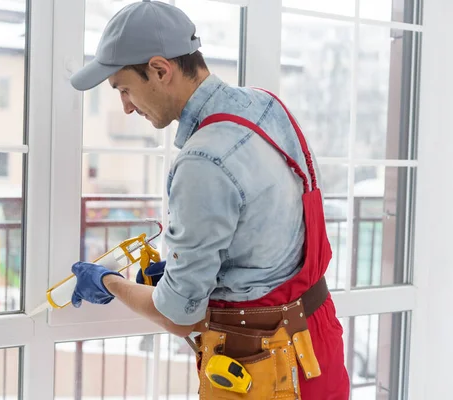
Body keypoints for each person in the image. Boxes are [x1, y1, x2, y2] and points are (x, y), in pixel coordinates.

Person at [69, 1, 350, 398]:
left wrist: (110, 282)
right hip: (317, 347)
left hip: (269, 372)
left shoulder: (203, 160)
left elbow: (180, 316)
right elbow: (271, 228)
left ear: (160, 70)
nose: (127, 106)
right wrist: (209, 268)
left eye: (124, 89)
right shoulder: (266, 106)